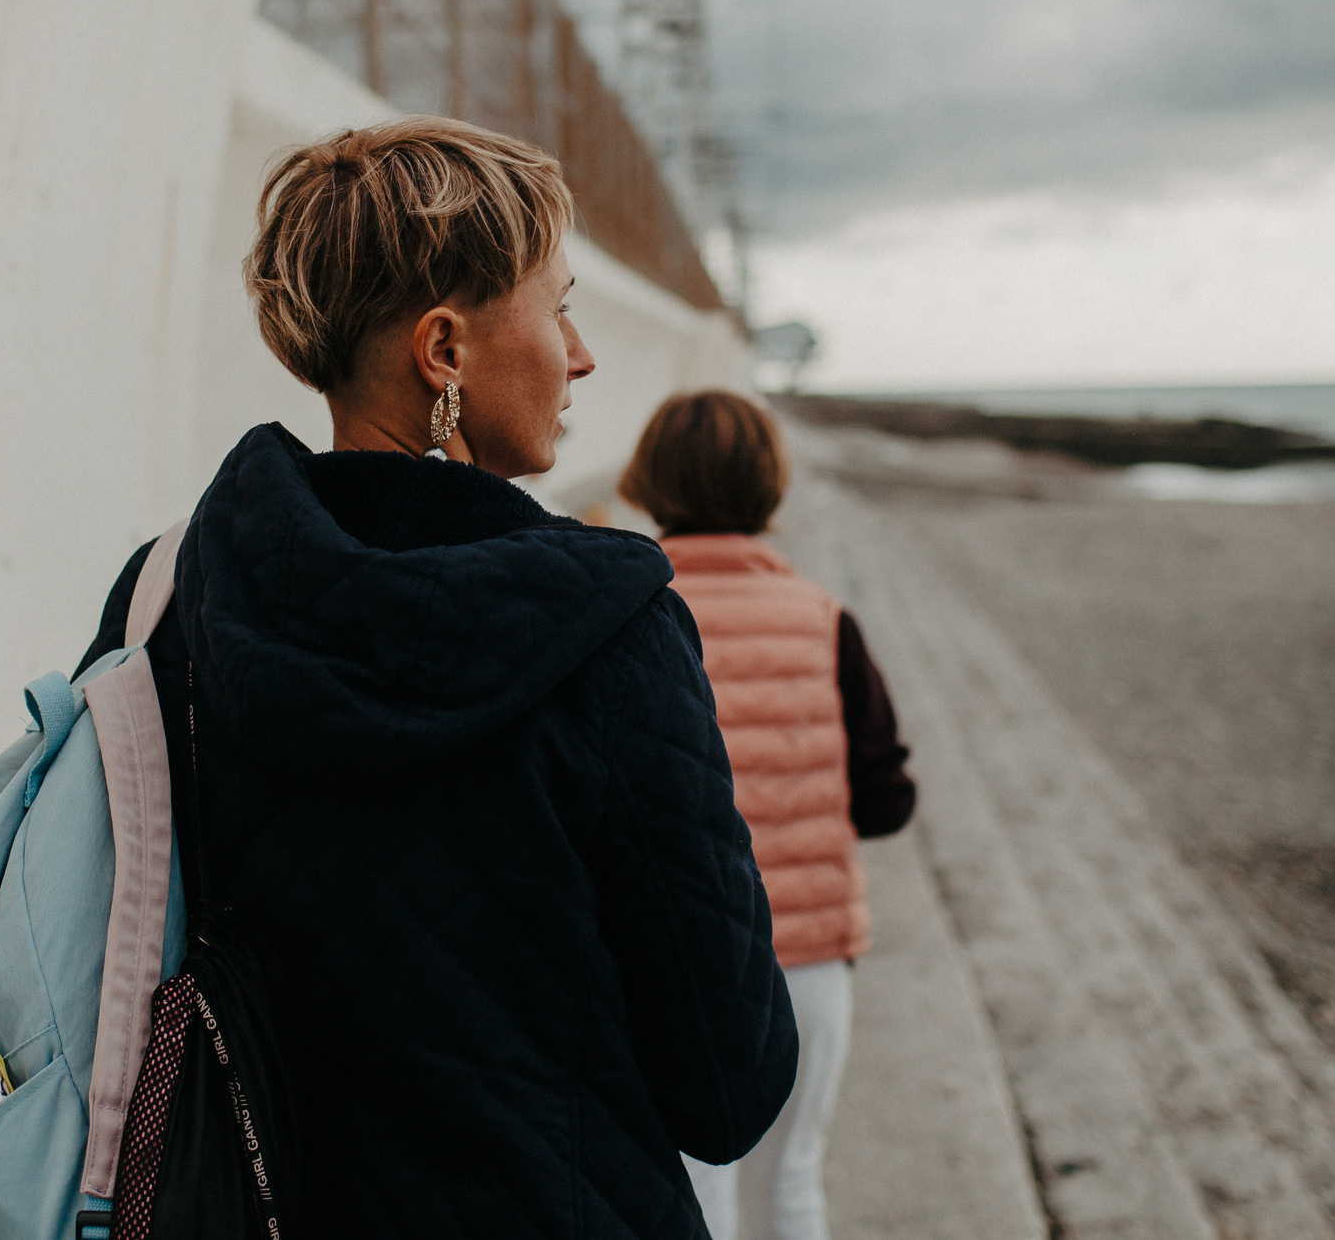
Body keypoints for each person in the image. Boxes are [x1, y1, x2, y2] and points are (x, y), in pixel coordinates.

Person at [75, 118, 798, 1239]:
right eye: (557, 307)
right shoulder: (611, 629)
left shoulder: (169, 595)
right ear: (445, 351)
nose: (583, 353)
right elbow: (731, 1083)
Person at [618, 391, 916, 1240]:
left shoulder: (626, 614)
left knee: (697, 1194)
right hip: (812, 965)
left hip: (672, 966)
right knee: (792, 1181)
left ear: (648, 480)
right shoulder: (826, 623)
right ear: (769, 487)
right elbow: (888, 800)